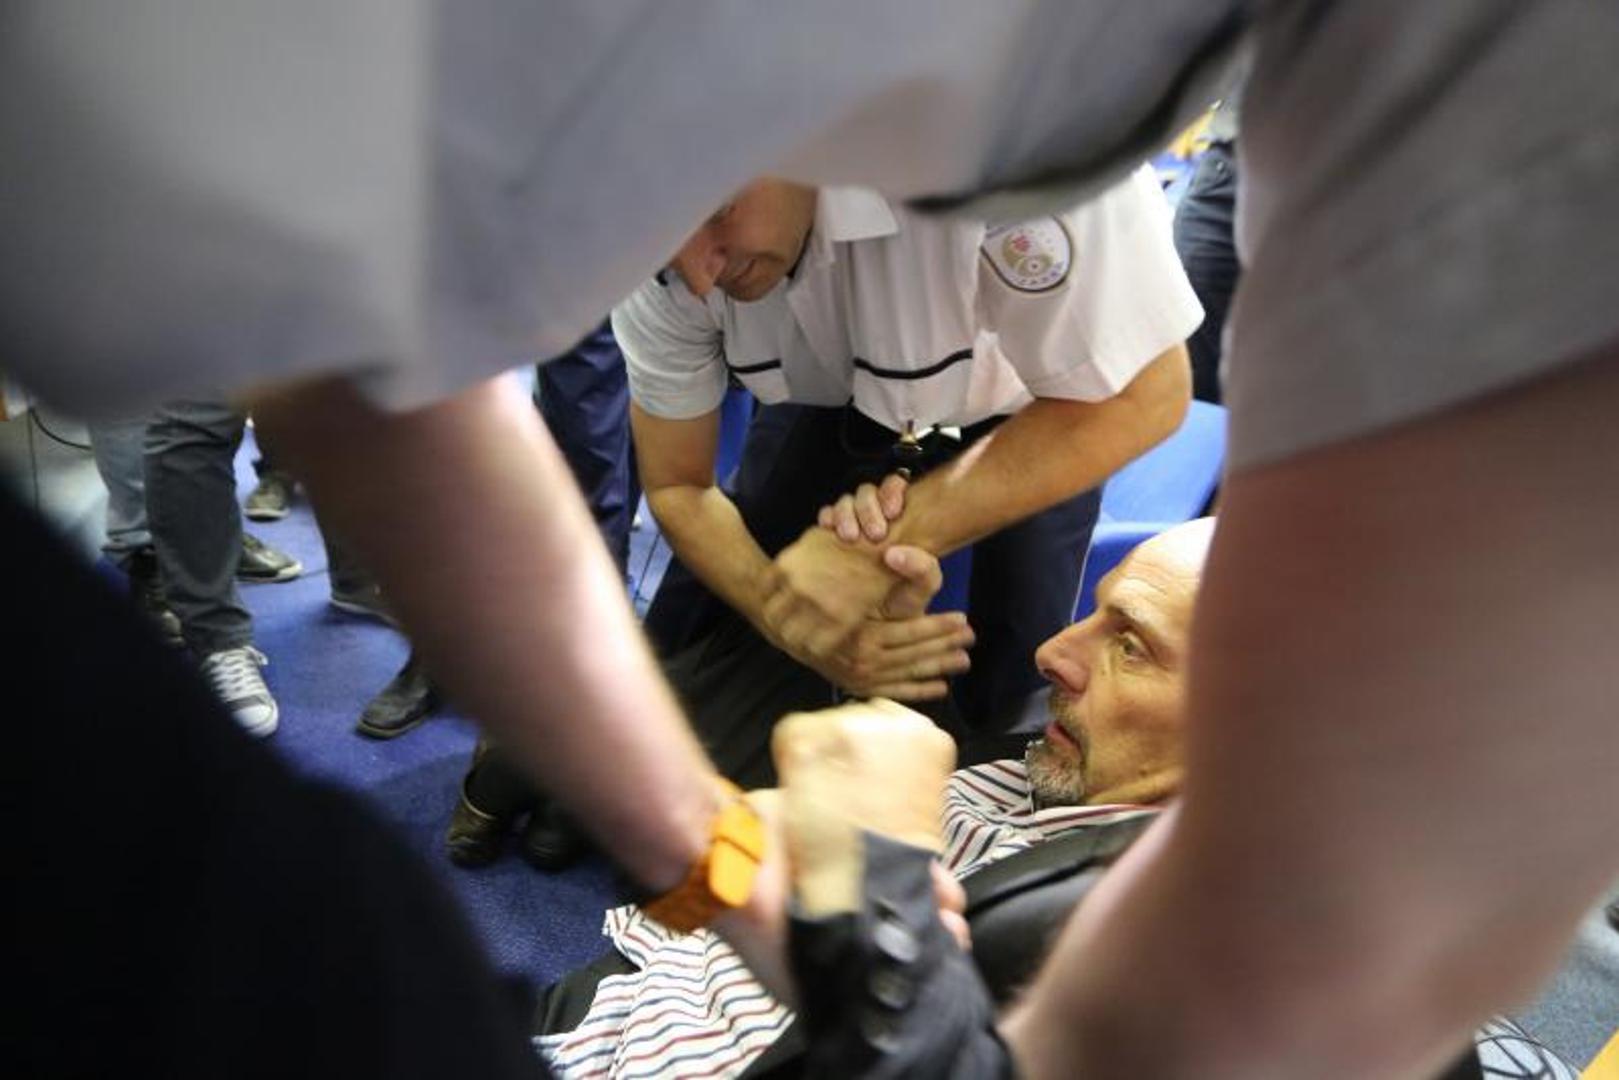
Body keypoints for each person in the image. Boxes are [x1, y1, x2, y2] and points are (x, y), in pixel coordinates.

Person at [6, 5, 1619, 1077]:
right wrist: (732, 810)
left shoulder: (1481, 116)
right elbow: (385, 391)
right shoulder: (452, 147)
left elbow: (1135, 412)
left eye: (706, 217)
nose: (689, 272)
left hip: (1029, 418)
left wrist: (869, 935)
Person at [537, 519, 1211, 1076]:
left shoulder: (1124, 940)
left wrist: (879, 864)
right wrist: (890, 659)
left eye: (1130, 646)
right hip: (649, 968)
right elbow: (948, 772)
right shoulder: (1084, 762)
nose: (1052, 653)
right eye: (1091, 613)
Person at [622, 170, 1199, 744]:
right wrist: (784, 617)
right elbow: (678, 486)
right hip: (831, 391)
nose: (699, 275)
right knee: (714, 633)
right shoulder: (659, 272)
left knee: (1021, 665)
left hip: (1046, 403)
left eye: (718, 210)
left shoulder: (1006, 153)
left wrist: (890, 540)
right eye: (666, 251)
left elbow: (1146, 396)